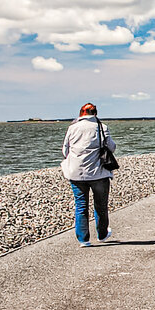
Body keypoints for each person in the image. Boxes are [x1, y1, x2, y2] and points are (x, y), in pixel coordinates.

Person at [61, 102, 116, 247]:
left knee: (81, 205)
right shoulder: (102, 127)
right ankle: (102, 235)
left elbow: (65, 151)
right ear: (95, 113)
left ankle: (83, 239)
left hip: (76, 173)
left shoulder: (72, 128)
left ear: (81, 113)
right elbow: (111, 147)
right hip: (99, 173)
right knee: (101, 205)